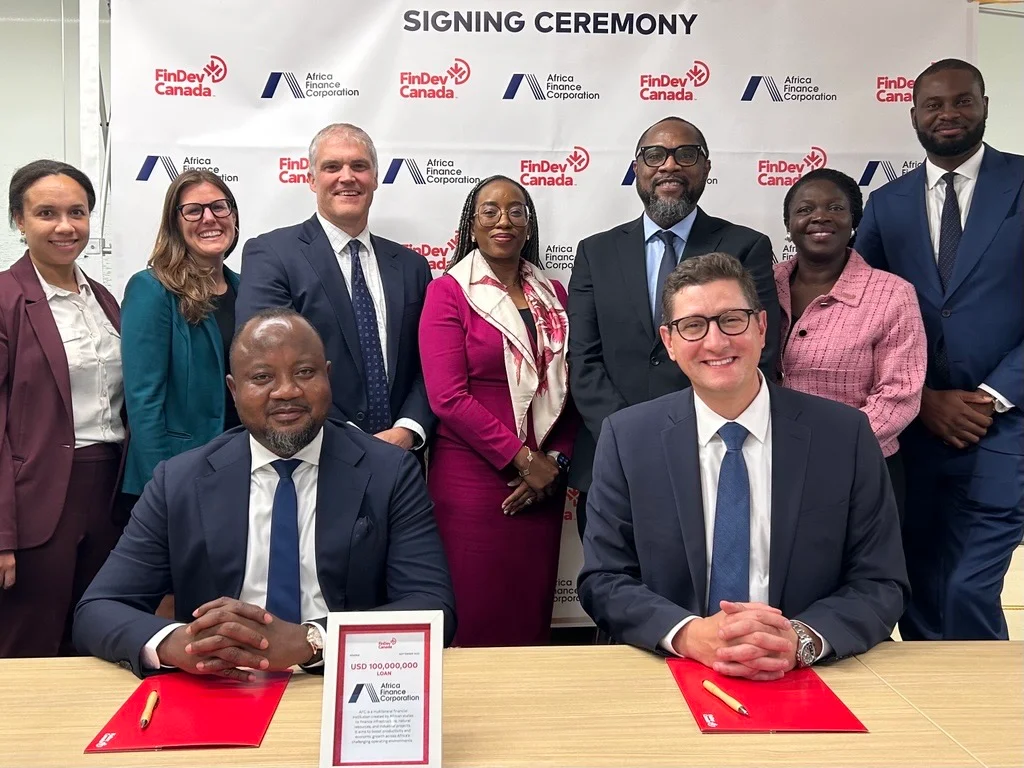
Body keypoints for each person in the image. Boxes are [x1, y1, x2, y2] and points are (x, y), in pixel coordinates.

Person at [73, 309, 455, 678]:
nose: (287, 391)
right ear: (233, 390)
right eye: (262, 377)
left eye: (304, 372)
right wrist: (179, 644)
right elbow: (99, 608)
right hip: (222, 682)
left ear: (328, 377)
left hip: (345, 678)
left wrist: (312, 641)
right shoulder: (179, 481)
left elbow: (433, 606)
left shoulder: (389, 472)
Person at [578, 253, 908, 676]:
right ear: (670, 342)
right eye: (693, 326)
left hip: (808, 672)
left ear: (762, 327)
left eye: (732, 320)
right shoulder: (627, 439)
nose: (716, 342)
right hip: (670, 669)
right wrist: (689, 635)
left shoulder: (844, 436)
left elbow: (881, 581)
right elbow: (604, 579)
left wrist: (799, 640)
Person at [856, 59, 1024, 641]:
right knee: (919, 587)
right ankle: (936, 698)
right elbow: (862, 310)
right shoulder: (886, 204)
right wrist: (921, 399)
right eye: (933, 104)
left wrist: (993, 396)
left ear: (985, 105)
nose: (947, 114)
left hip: (1005, 424)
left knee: (968, 587)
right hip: (916, 431)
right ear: (913, 116)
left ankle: (983, 695)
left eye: (961, 101)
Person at [568, 116, 780, 537]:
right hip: (612, 458)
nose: (669, 165)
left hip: (712, 454)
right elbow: (583, 359)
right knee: (614, 575)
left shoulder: (746, 246)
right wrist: (631, 436)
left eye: (686, 154)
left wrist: (688, 433)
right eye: (654, 155)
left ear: (706, 168)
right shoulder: (596, 251)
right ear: (636, 168)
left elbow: (757, 350)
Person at [419, 176, 578, 647]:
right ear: (471, 225)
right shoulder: (448, 292)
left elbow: (570, 388)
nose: (502, 220)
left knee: (529, 620)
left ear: (529, 224)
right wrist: (523, 459)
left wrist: (555, 463)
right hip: (474, 484)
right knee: (475, 618)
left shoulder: (555, 294)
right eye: (489, 211)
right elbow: (447, 397)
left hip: (544, 485)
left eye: (515, 210)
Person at [236, 123, 434, 452]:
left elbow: (431, 362)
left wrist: (408, 429)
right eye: (332, 167)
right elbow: (268, 362)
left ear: (375, 178)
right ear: (312, 180)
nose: (347, 177)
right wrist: (350, 438)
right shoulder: (271, 255)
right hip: (315, 453)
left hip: (402, 456)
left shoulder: (412, 267)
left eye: (359, 166)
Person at [0, 160, 126, 657]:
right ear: (19, 220)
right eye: (46, 213)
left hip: (108, 494)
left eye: (77, 212)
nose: (65, 226)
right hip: (36, 500)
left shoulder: (104, 299)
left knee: (97, 645)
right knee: (28, 648)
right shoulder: (6, 299)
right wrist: (2, 532)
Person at [774, 168, 926, 521]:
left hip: (859, 466)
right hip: (775, 464)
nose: (820, 217)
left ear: (854, 220)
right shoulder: (764, 283)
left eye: (835, 208)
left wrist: (831, 448)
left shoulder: (892, 294)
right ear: (788, 224)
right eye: (805, 209)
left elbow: (899, 395)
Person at [121, 170, 242, 505]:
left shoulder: (248, 289)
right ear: (175, 223)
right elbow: (143, 401)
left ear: (233, 216)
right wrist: (161, 487)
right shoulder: (152, 290)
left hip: (242, 466)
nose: (209, 218)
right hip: (179, 473)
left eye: (219, 207)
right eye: (193, 210)